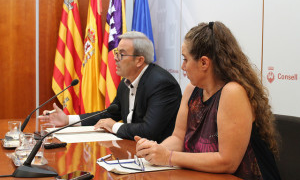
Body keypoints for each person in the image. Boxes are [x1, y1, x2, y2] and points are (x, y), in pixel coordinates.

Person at [135, 22, 281, 179]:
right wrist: (154, 152)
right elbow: (178, 138)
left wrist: (168, 157)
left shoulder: (233, 92)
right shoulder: (192, 90)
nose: (183, 67)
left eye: (185, 59)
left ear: (204, 62)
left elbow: (227, 162)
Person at [41, 31, 182, 143]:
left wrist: (113, 126)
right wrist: (68, 120)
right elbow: (109, 114)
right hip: (133, 151)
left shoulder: (161, 84)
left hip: (160, 160)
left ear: (139, 60)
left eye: (121, 54)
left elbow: (150, 131)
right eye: (116, 53)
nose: (115, 58)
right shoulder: (125, 83)